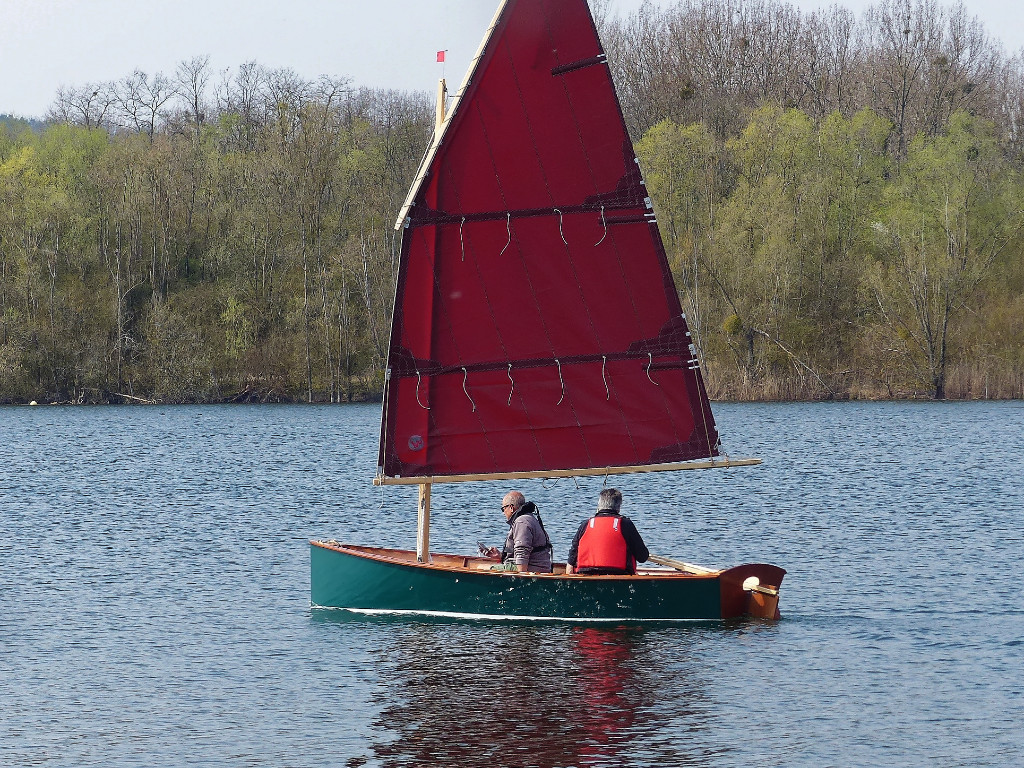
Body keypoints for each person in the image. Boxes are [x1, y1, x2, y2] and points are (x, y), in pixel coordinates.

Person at [565, 488, 649, 575]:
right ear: (618, 507)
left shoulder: (585, 525)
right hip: (619, 577)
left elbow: (571, 562)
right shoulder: (625, 524)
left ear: (599, 505)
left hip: (587, 578)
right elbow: (642, 557)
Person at [490, 491, 553, 573]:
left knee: (489, 568)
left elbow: (522, 551)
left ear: (511, 508)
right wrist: (501, 556)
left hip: (532, 569)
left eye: (503, 509)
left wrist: (521, 576)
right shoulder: (530, 518)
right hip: (541, 567)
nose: (503, 513)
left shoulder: (521, 522)